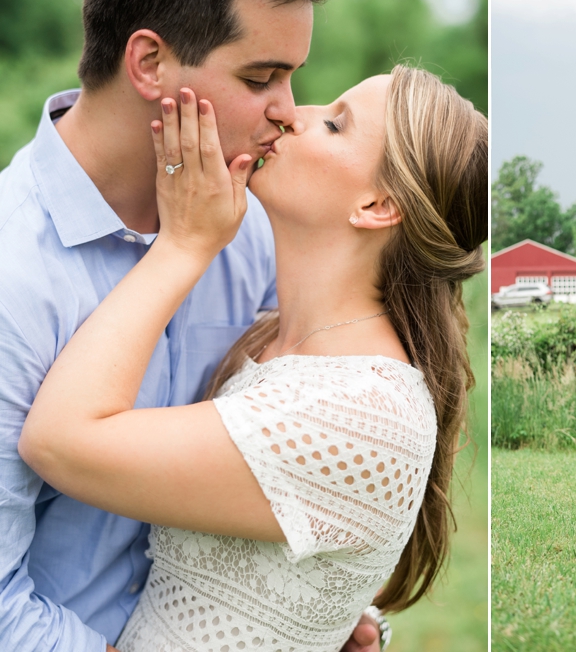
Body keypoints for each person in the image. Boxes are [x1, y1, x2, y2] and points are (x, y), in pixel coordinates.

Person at [19, 64, 486, 651]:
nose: (295, 114)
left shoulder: (361, 412)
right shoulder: (273, 340)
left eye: (335, 125)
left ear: (376, 204)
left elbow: (57, 442)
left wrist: (184, 244)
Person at [0, 0, 377, 649]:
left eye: (293, 77)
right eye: (260, 78)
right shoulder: (14, 270)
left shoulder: (260, 230)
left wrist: (312, 616)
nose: (287, 110)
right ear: (149, 63)